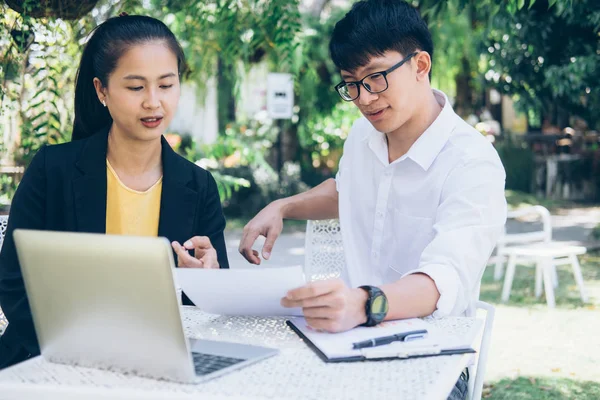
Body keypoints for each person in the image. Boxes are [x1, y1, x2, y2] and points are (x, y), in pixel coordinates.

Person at [239, 2, 506, 398]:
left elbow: (443, 279)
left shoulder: (472, 163)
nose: (364, 98)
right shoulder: (361, 138)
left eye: (375, 77)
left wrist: (361, 304)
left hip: (430, 359)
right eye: (352, 84)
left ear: (420, 65)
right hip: (344, 343)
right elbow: (346, 191)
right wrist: (283, 207)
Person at [0, 15, 228, 369]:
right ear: (101, 90)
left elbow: (212, 309)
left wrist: (207, 282)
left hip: (156, 367)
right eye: (136, 88)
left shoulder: (198, 186)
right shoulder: (51, 170)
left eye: (166, 85)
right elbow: (14, 284)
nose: (154, 102)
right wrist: (87, 351)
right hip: (50, 361)